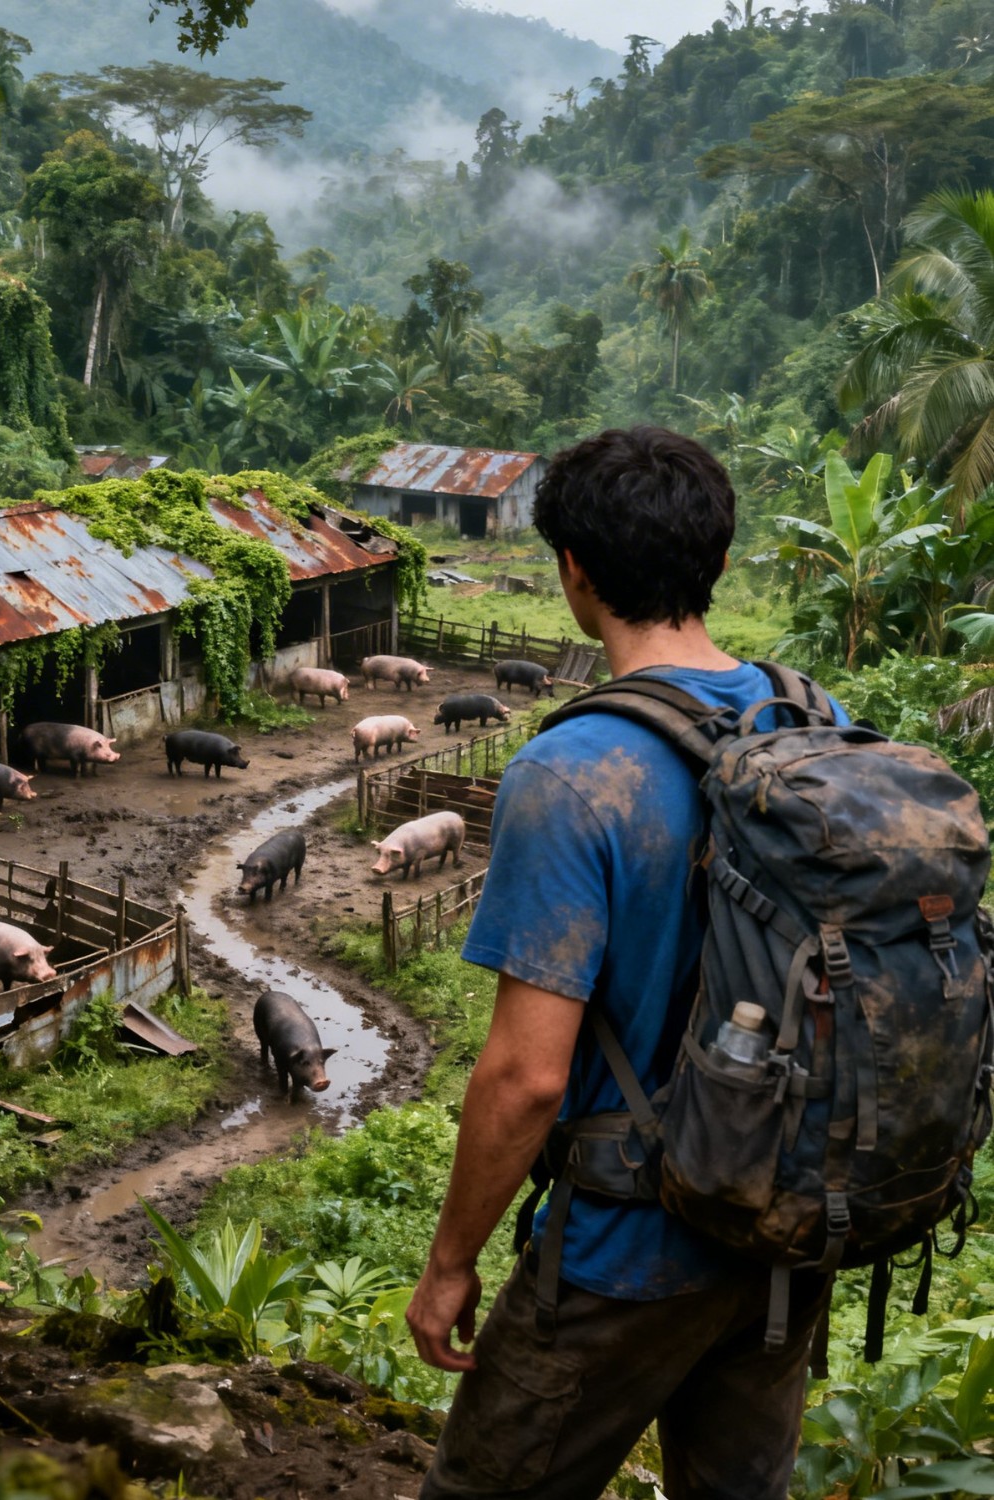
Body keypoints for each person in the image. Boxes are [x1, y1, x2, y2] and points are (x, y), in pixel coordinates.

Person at [406, 426, 836, 1500]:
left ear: (573, 572)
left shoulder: (567, 774)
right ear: (719, 562)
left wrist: (450, 1263)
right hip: (788, 1234)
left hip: (628, 1251)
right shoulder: (814, 721)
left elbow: (528, 1076)